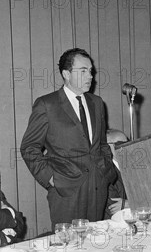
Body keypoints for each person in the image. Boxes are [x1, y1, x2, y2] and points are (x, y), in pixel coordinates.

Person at [21, 48, 117, 226]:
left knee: (95, 244)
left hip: (98, 186)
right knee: (69, 246)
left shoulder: (96, 103)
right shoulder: (47, 104)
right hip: (66, 189)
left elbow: (102, 144)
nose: (90, 76)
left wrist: (106, 170)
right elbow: (29, 147)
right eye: (83, 71)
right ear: (66, 74)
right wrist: (51, 178)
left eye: (90, 71)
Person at [105, 129, 129, 217]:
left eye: (127, 143)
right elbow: (114, 207)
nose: (125, 147)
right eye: (119, 144)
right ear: (107, 146)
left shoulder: (133, 167)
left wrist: (128, 204)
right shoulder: (105, 171)